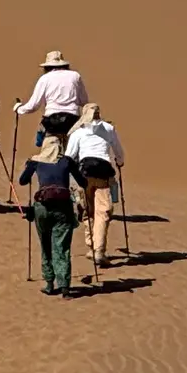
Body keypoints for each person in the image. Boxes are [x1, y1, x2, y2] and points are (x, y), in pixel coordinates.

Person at [65, 102, 127, 271]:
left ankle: (92, 245)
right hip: (103, 174)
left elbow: (69, 157)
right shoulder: (109, 128)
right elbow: (119, 152)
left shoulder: (78, 132)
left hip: (83, 174)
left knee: (87, 210)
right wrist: (119, 162)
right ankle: (98, 250)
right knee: (103, 211)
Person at [18, 139, 81, 296]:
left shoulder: (36, 161)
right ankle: (65, 286)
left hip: (42, 209)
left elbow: (23, 181)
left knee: (46, 245)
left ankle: (49, 283)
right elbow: (83, 182)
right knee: (62, 247)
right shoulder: (66, 161)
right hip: (64, 208)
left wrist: (30, 164)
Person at [12, 50, 90, 148]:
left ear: (47, 66)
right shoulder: (75, 76)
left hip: (52, 122)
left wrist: (19, 109)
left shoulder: (45, 79)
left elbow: (33, 105)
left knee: (44, 146)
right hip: (72, 120)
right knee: (74, 150)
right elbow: (84, 101)